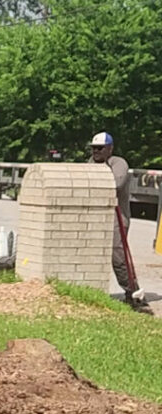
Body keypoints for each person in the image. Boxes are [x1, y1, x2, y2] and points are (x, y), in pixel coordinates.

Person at [88, 131, 139, 306]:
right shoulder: (90, 163)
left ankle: (132, 291)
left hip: (118, 217)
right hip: (98, 216)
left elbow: (116, 184)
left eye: (100, 148)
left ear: (110, 148)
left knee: (118, 255)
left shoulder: (118, 163)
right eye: (94, 148)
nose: (96, 152)